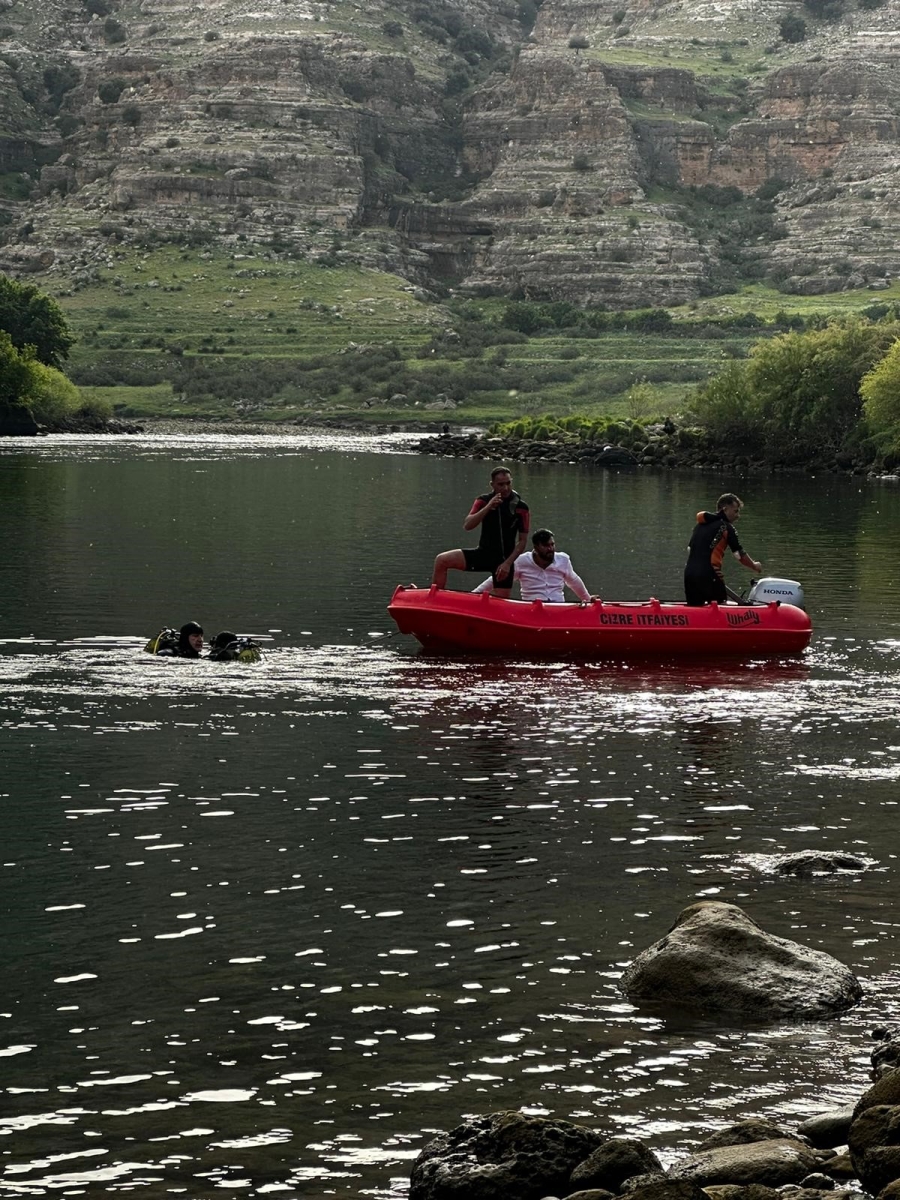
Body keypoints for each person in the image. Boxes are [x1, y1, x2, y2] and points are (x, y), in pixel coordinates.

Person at [431, 466, 529, 598]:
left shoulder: (521, 507)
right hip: (483, 554)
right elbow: (468, 525)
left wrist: (507, 564)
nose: (505, 488)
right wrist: (489, 507)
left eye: (508, 483)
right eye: (500, 484)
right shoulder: (483, 500)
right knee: (441, 560)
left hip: (504, 561)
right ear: (492, 485)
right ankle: (435, 599)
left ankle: (476, 603)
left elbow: (522, 541)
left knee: (501, 599)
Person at [473, 529, 597, 603]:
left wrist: (587, 598)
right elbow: (498, 579)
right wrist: (474, 595)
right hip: (531, 608)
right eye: (546, 546)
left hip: (558, 607)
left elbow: (574, 581)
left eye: (552, 545)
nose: (551, 549)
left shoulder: (563, 560)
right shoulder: (521, 561)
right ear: (536, 547)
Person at [683, 493, 762, 606]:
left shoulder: (699, 526)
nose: (738, 515)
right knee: (719, 606)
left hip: (689, 575)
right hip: (709, 575)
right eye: (735, 511)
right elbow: (739, 555)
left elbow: (690, 550)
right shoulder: (726, 527)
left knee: (695, 609)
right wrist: (754, 566)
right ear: (725, 509)